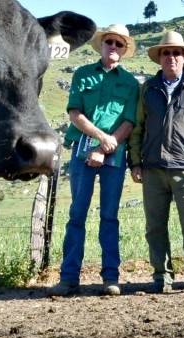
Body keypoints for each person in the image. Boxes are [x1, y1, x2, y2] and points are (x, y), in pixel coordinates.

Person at [49, 24, 139, 296]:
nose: (113, 47)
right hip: (83, 152)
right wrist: (101, 137)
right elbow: (75, 113)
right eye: (109, 42)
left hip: (115, 154)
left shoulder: (131, 83)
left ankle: (111, 277)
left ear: (124, 50)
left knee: (109, 216)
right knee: (77, 214)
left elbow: (129, 121)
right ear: (101, 45)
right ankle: (68, 278)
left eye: (118, 44)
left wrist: (108, 146)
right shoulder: (82, 74)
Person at [128, 31, 184, 293]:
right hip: (153, 169)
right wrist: (135, 162)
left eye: (176, 52)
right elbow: (137, 128)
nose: (171, 57)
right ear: (160, 58)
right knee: (155, 226)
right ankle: (161, 276)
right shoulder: (147, 89)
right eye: (166, 52)